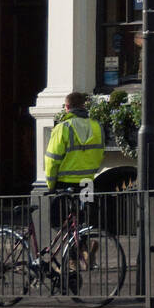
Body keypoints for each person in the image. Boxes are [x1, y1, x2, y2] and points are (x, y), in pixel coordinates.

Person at [44, 92, 105, 225]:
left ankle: (77, 245)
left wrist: (50, 185)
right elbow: (100, 153)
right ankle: (83, 244)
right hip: (87, 182)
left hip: (64, 184)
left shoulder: (63, 128)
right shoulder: (97, 126)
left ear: (67, 107)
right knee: (84, 223)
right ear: (84, 106)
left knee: (57, 222)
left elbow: (52, 160)